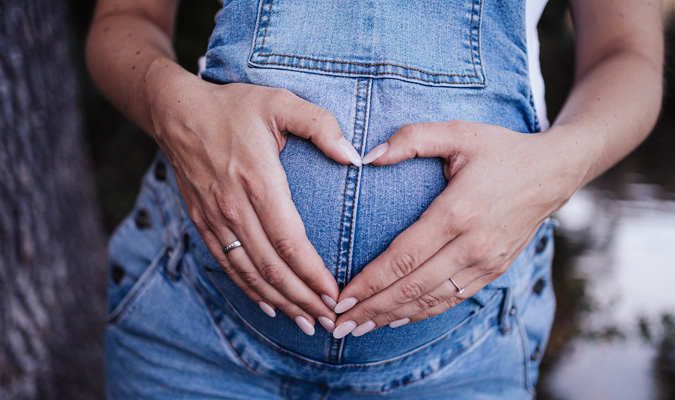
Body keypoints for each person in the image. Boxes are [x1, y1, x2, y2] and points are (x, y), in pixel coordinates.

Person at [86, 0, 663, 398]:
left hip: (464, 358)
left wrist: (555, 169)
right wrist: (175, 110)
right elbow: (123, 21)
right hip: (192, 330)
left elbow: (627, 55)